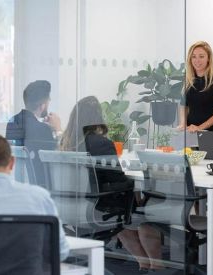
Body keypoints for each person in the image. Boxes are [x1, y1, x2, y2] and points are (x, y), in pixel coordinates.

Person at [61, 96, 162, 271]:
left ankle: (144, 264)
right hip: (97, 206)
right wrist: (134, 184)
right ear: (96, 118)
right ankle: (157, 266)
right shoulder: (101, 143)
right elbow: (118, 180)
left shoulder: (64, 144)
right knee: (143, 214)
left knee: (122, 220)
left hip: (70, 207)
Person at [6, 80, 62, 187]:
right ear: (42, 106)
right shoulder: (44, 130)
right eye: (48, 100)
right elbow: (59, 157)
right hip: (40, 187)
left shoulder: (13, 122)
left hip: (18, 183)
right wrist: (57, 129)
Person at [177, 41, 213, 133]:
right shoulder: (188, 80)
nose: (197, 60)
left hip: (212, 133)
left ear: (208, 58)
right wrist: (183, 123)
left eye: (201, 56)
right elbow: (183, 105)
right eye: (193, 56)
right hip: (191, 133)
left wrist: (200, 128)